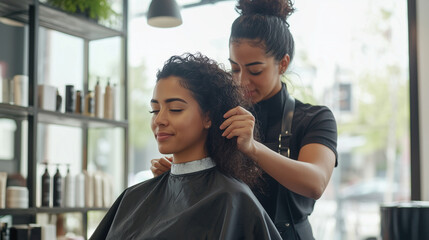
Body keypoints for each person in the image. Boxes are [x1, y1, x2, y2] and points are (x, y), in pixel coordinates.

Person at [150, 0, 338, 239]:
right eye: (234, 69)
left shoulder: (314, 118)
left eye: (255, 70)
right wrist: (180, 176)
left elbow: (316, 183)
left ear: (283, 63)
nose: (241, 81)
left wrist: (253, 148)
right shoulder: (220, 118)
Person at [90, 53, 282, 240]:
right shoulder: (132, 197)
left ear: (208, 117)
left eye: (175, 109)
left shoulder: (232, 200)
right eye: (155, 110)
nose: (159, 119)